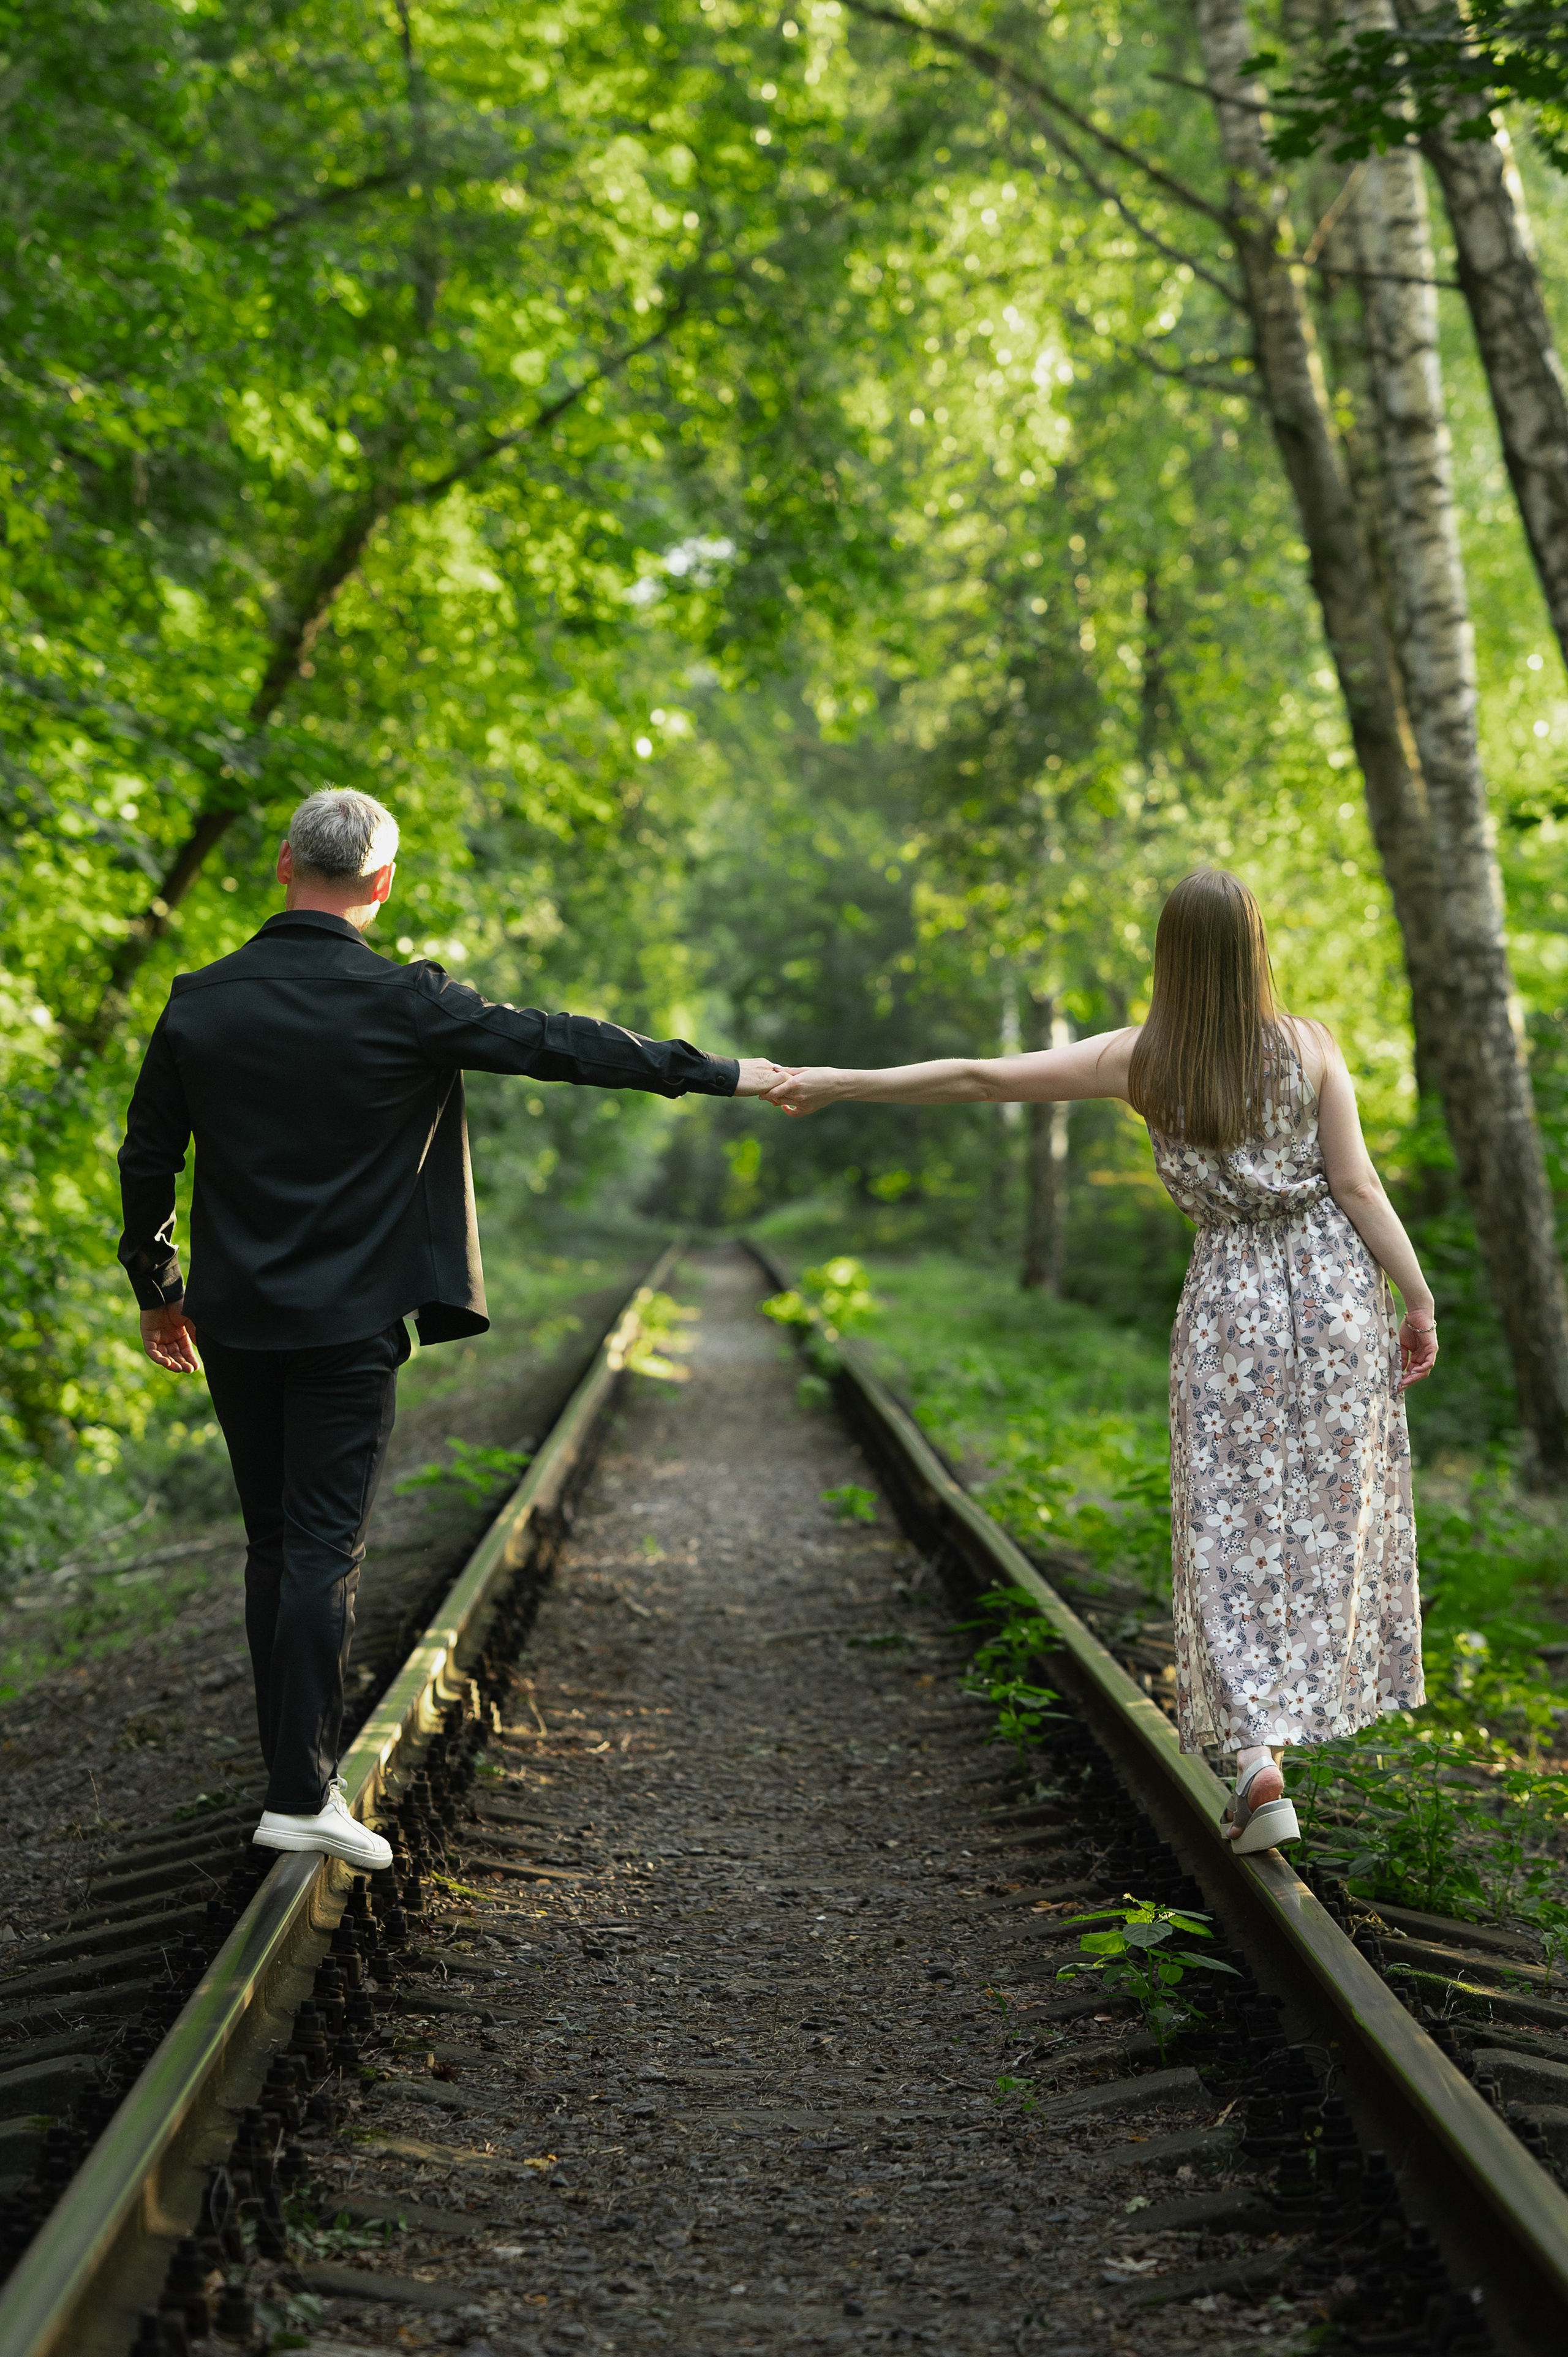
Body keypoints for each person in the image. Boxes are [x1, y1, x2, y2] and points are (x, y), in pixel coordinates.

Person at [118, 788, 787, 1871]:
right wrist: (723, 1075)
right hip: (348, 1324)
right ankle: (297, 1791)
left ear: (284, 865)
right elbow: (561, 1045)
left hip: (234, 1322)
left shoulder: (200, 1002)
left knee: (276, 1544)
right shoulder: (406, 1003)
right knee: (320, 1549)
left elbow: (148, 1160)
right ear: (381, 886)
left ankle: (294, 1773)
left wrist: (159, 1284)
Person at [763, 869, 1438, 1856]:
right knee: (1330, 1514)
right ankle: (1298, 1713)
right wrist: (1415, 1297)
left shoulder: (1140, 1060)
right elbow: (1359, 1184)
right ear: (1256, 948)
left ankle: (1257, 1757)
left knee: (1225, 1524)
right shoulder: (1310, 1049)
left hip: (1229, 1311)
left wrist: (840, 1083)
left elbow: (983, 1078)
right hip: (1337, 1296)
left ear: (1168, 956)